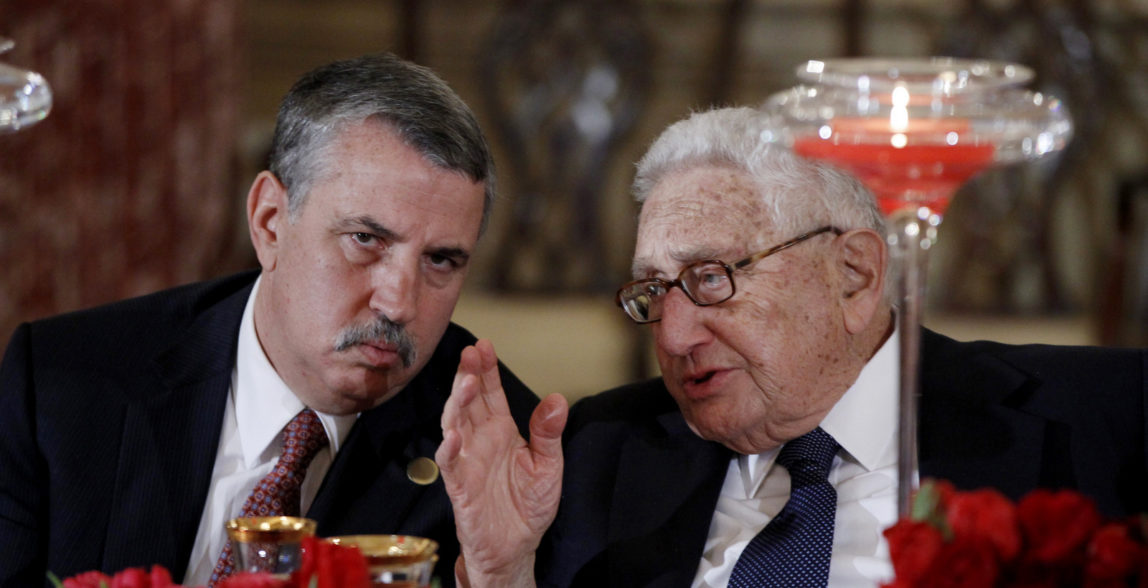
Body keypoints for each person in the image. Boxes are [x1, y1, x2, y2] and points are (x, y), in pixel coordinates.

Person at [436, 106, 1148, 587]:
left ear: (856, 274)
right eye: (654, 292)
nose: (675, 336)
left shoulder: (1105, 417)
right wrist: (501, 576)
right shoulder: (600, 453)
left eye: (711, 279)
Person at [0, 52, 542, 588]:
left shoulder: (499, 457)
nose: (399, 304)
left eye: (441, 260)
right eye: (365, 239)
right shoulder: (61, 385)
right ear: (269, 222)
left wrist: (502, 577)